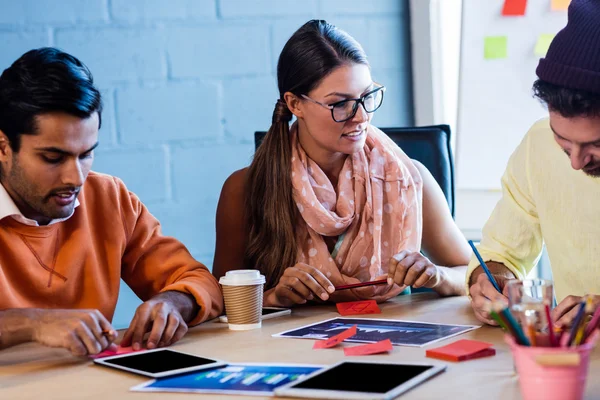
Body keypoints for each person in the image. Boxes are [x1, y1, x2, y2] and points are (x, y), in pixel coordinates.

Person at [213, 20, 471, 308]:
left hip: (393, 344)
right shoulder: (245, 189)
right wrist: (272, 298)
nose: (361, 117)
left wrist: (438, 276)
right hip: (291, 350)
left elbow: (472, 275)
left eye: (367, 97)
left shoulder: (408, 178)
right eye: (340, 104)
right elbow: (220, 299)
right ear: (295, 104)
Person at [0, 48, 223, 356]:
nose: (74, 177)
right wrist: (33, 323)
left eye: (86, 154)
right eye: (53, 158)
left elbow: (200, 281)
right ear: (3, 147)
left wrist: (172, 303)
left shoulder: (109, 197)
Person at [468, 0, 600, 328]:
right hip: (574, 360)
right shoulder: (539, 144)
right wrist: (492, 281)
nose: (575, 162)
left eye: (596, 145)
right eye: (563, 141)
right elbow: (503, 252)